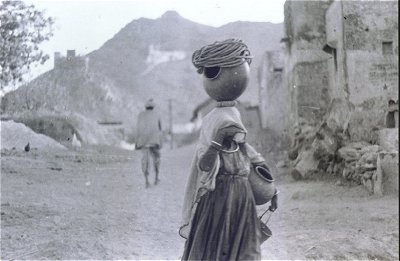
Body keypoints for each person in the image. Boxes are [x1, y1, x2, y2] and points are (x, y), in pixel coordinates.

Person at [179, 101, 278, 260]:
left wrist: (274, 193)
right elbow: (204, 166)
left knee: (244, 251)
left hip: (243, 206)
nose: (234, 131)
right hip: (217, 206)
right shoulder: (209, 150)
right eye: (228, 128)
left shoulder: (243, 148)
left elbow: (261, 167)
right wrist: (217, 140)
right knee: (215, 248)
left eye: (235, 126)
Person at [135, 98, 162, 188]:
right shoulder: (157, 114)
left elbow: (138, 129)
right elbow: (160, 128)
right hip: (154, 141)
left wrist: (137, 143)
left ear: (145, 107)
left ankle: (146, 181)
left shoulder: (140, 115)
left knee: (145, 161)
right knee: (157, 158)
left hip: (144, 142)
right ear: (153, 107)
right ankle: (156, 178)